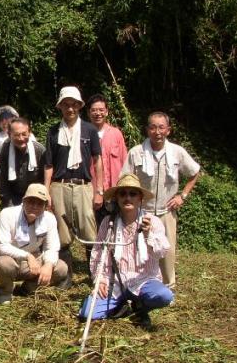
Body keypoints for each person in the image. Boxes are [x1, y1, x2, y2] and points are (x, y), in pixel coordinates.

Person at [78, 174, 174, 328]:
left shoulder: (152, 221)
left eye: (132, 194)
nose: (127, 198)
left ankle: (140, 306)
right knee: (87, 313)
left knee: (164, 296)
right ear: (117, 198)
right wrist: (100, 279)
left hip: (144, 280)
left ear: (140, 198)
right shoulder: (108, 223)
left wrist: (149, 234)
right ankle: (121, 306)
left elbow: (161, 252)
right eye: (123, 194)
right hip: (115, 282)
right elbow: (98, 254)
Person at [121, 112, 200, 289]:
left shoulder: (177, 152)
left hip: (166, 211)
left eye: (161, 127)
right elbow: (125, 179)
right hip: (142, 211)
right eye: (153, 127)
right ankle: (137, 284)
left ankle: (168, 286)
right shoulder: (136, 152)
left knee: (167, 250)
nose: (157, 131)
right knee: (139, 247)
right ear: (147, 130)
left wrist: (182, 196)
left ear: (168, 130)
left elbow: (194, 172)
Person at [44, 86, 104, 280]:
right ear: (60, 107)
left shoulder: (89, 130)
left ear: (79, 106)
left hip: (83, 185)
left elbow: (97, 160)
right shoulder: (53, 132)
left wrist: (99, 190)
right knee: (62, 231)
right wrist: (46, 192)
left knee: (89, 230)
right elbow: (49, 165)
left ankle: (95, 274)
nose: (70, 109)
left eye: (74, 105)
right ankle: (65, 276)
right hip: (59, 185)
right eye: (66, 105)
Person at [0, 184, 69, 304]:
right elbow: (3, 246)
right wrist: (27, 256)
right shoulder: (7, 214)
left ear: (45, 206)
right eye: (31, 202)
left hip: (33, 261)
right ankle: (6, 290)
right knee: (5, 265)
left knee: (61, 268)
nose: (34, 207)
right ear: (24, 201)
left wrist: (48, 264)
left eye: (39, 204)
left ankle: (29, 288)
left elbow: (52, 247)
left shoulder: (49, 219)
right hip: (8, 258)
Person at [86, 94, 127, 226]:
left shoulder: (116, 134)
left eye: (101, 110)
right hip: (90, 192)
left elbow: (125, 162)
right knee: (93, 232)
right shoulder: (83, 134)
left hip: (114, 192)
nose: (98, 113)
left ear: (107, 111)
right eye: (94, 110)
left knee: (115, 228)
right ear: (88, 112)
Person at [0, 117, 46, 209]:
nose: (21, 138)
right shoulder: (4, 150)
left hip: (35, 196)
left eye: (24, 134)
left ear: (29, 133)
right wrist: (9, 205)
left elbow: (44, 178)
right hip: (12, 196)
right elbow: (2, 180)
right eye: (16, 135)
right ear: (9, 134)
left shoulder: (39, 150)